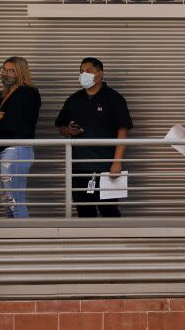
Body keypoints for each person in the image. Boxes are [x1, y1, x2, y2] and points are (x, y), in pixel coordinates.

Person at [55, 58, 133, 218]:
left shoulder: (114, 99)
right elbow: (61, 128)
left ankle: (113, 241)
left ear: (100, 74)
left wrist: (117, 162)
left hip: (105, 166)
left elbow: (123, 131)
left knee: (109, 209)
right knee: (83, 209)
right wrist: (68, 130)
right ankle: (88, 241)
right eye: (81, 71)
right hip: (78, 166)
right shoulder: (74, 99)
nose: (84, 74)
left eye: (89, 71)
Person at [0, 57, 41, 218]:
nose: (6, 74)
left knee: (15, 201)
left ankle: (24, 240)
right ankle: (13, 239)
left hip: (16, 150)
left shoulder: (28, 94)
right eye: (4, 70)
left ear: (20, 72)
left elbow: (12, 125)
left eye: (11, 71)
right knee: (7, 204)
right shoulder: (2, 95)